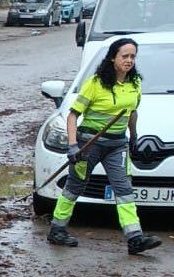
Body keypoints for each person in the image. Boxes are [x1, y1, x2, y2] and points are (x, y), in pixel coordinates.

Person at [48, 36, 161, 256]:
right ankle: (57, 229)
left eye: (132, 57)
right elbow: (72, 116)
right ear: (112, 58)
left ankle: (135, 238)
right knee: (75, 186)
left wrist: (134, 136)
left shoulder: (134, 83)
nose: (129, 60)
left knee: (124, 189)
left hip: (117, 145)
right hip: (88, 143)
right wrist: (72, 146)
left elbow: (132, 112)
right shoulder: (96, 83)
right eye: (124, 56)